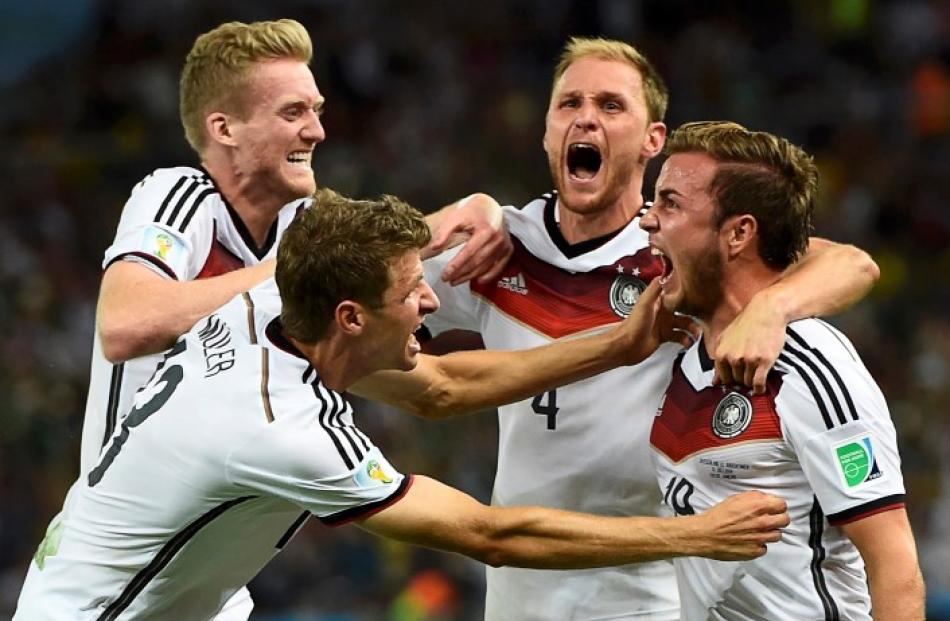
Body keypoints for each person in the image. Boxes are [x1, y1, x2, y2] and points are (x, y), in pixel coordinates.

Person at [15, 189, 790, 620]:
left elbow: (442, 388)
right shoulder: (281, 428)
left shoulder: (268, 311)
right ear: (351, 316)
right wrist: (695, 534)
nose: (430, 297)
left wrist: (618, 346)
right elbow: (492, 532)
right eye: (410, 290)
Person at [385, 38, 881, 620]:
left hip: (651, 590)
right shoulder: (498, 248)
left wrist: (772, 308)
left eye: (611, 105)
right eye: (569, 103)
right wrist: (432, 226)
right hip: (520, 591)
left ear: (653, 140)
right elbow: (335, 297)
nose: (586, 116)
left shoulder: (680, 252)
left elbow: (852, 263)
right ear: (547, 129)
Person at [67, 19, 509, 619]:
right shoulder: (180, 195)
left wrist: (472, 211)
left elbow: (387, 281)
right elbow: (124, 323)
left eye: (317, 109)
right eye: (293, 112)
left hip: (214, 582)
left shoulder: (303, 223)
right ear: (223, 127)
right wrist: (295, 273)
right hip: (119, 577)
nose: (317, 130)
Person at [642, 120, 924, 620]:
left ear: (739, 233)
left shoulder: (809, 365)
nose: (648, 220)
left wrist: (772, 308)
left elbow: (894, 564)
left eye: (671, 203)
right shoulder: (685, 359)